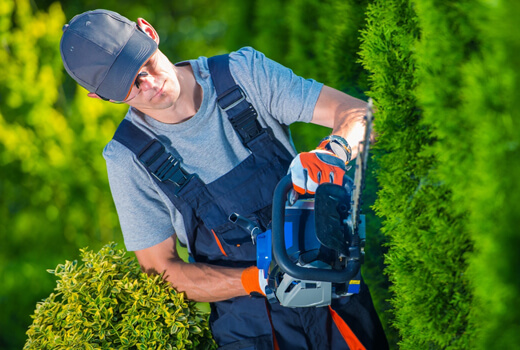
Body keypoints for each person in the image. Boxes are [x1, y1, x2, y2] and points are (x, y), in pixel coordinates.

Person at [59, 9, 388, 350]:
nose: (152, 85)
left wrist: (333, 152)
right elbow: (163, 274)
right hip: (250, 328)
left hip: (330, 287)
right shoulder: (128, 158)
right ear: (102, 98)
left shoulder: (242, 74)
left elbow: (361, 115)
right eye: (133, 86)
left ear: (149, 31)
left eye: (147, 66)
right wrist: (256, 279)